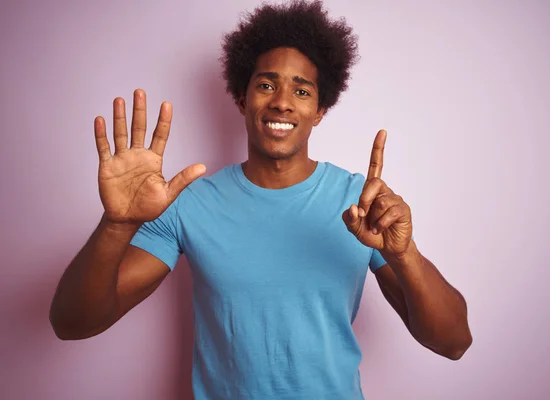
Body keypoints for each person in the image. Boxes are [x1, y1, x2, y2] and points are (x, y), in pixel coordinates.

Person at [50, 1, 472, 398]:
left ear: (321, 109)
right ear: (241, 98)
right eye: (266, 84)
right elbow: (73, 323)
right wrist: (118, 225)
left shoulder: (359, 203)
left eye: (302, 91)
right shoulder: (187, 204)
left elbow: (453, 342)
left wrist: (404, 254)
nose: (282, 102)